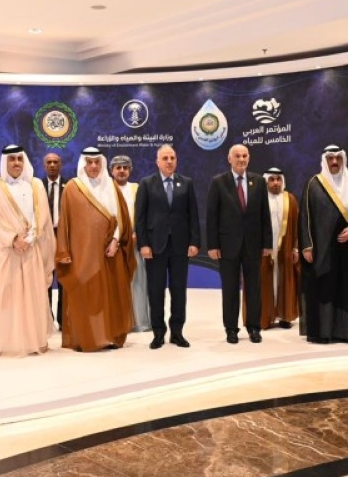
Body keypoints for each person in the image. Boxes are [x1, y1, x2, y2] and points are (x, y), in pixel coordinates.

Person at [56, 147, 135, 351]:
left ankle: (109, 337)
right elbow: (64, 224)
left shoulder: (112, 186)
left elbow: (121, 218)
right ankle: (85, 339)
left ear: (102, 163)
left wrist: (115, 241)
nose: (93, 166)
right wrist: (64, 252)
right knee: (86, 296)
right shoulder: (72, 188)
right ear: (83, 163)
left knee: (110, 295)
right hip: (82, 255)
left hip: (110, 254)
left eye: (96, 162)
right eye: (89, 162)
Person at [0, 145, 56, 357]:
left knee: (32, 296)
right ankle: (8, 343)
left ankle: (33, 340)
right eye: (12, 159)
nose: (16, 163)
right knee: (7, 297)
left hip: (31, 248)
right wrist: (13, 239)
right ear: (4, 162)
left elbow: (43, 216)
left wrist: (31, 236)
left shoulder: (35, 185)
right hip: (6, 252)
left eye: (19, 159)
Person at [299, 145, 348, 344]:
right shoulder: (314, 184)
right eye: (330, 158)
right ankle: (323, 332)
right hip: (322, 251)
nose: (335, 162)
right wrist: (307, 246)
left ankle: (345, 332)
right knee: (324, 288)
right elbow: (305, 216)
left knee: (347, 288)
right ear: (325, 160)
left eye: (338, 158)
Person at [135, 145, 201, 349]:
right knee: (156, 291)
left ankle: (177, 332)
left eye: (172, 157)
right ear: (157, 161)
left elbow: (193, 215)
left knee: (179, 291)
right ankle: (158, 333)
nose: (169, 161)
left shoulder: (186, 183)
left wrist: (194, 242)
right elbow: (140, 218)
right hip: (155, 247)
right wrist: (143, 244)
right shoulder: (147, 183)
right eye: (165, 158)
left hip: (180, 246)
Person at [207, 145, 272, 344]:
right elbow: (212, 217)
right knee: (230, 289)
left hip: (253, 244)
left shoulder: (259, 181)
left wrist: (267, 243)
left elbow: (265, 215)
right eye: (237, 156)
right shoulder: (218, 182)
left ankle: (254, 327)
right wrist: (212, 245)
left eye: (244, 156)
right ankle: (231, 329)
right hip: (227, 246)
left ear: (249, 158)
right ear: (229, 158)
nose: (241, 159)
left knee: (254, 289)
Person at [256, 167, 300, 331]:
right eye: (272, 179)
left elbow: (297, 226)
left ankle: (285, 316)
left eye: (278, 179)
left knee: (285, 281)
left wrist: (296, 248)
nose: (275, 183)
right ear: (266, 181)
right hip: (264, 250)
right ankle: (265, 317)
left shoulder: (290, 200)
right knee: (264, 281)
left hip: (285, 250)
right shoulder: (259, 199)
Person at [111, 154, 151, 332]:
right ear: (111, 171)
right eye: (118, 168)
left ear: (130, 170)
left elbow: (145, 215)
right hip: (112, 246)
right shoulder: (106, 189)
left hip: (134, 243)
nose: (121, 171)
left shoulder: (137, 188)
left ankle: (140, 322)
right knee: (115, 284)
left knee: (138, 281)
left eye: (125, 168)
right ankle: (118, 323)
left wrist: (137, 235)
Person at [42, 151, 67, 329]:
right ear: (44, 165)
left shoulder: (70, 185)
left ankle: (64, 320)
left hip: (63, 235)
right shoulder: (37, 186)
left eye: (55, 162)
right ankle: (47, 320)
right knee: (45, 279)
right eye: (49, 162)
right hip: (44, 237)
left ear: (60, 165)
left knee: (64, 278)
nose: (52, 165)